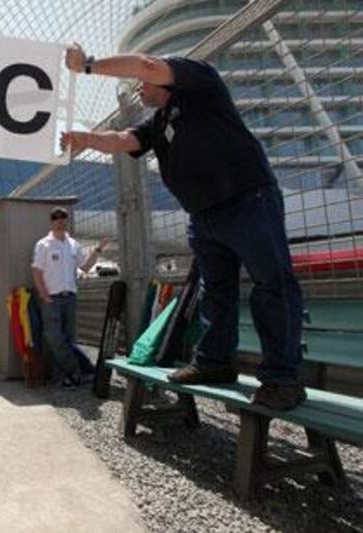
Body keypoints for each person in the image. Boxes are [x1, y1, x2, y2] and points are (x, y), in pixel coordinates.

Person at [61, 48, 305, 409]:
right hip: (204, 216)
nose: (140, 88)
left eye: (143, 83)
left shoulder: (199, 81)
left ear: (163, 81)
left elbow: (146, 64)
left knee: (273, 283)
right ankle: (214, 362)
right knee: (215, 292)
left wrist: (89, 66)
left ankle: (283, 379)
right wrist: (85, 140)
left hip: (246, 198)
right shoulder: (157, 123)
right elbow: (122, 141)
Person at [31, 207, 104, 389]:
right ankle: (80, 369)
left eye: (64, 217)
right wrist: (44, 294)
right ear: (51, 221)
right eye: (56, 218)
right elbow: (37, 271)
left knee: (68, 338)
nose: (60, 221)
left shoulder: (73, 244)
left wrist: (98, 251)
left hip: (70, 297)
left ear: (67, 220)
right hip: (51, 298)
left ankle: (62, 377)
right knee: (53, 336)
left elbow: (85, 267)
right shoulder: (43, 244)